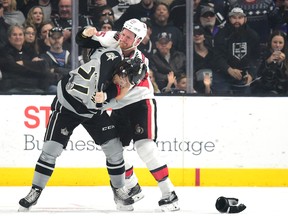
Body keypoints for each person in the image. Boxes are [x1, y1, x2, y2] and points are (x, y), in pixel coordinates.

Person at [18, 42, 138, 211]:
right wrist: (105, 93)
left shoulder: (115, 74)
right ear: (121, 71)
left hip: (90, 110)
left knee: (115, 150)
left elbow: (111, 91)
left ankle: (119, 190)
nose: (126, 83)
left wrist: (107, 93)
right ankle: (35, 191)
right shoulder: (109, 61)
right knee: (50, 151)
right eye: (125, 78)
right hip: (67, 106)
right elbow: (86, 42)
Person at [76, 18, 180, 212]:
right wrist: (86, 33)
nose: (122, 38)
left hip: (140, 103)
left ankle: (169, 194)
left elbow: (120, 90)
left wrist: (103, 97)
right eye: (122, 33)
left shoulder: (140, 62)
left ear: (137, 41)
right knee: (114, 151)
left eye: (128, 37)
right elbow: (83, 41)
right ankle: (133, 187)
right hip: (118, 107)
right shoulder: (112, 38)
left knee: (145, 148)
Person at [213, 7, 260, 95]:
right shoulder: (221, 35)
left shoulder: (253, 35)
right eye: (234, 17)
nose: (237, 20)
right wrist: (228, 69)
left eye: (240, 17)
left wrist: (251, 74)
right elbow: (217, 57)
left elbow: (256, 57)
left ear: (245, 19)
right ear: (229, 19)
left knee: (246, 96)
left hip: (243, 74)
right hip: (223, 74)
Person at [0, 24, 51, 94]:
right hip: (13, 89)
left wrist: (24, 63)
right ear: (9, 37)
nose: (18, 37)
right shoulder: (3, 51)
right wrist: (33, 66)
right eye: (14, 35)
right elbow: (11, 67)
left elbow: (43, 65)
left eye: (20, 34)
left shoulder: (29, 50)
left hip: (34, 87)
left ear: (24, 37)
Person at [253, 30, 288, 95]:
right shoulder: (262, 53)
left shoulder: (286, 56)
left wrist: (281, 64)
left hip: (283, 91)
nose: (277, 45)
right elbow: (256, 74)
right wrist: (268, 61)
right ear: (270, 42)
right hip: (264, 90)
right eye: (275, 42)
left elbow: (284, 79)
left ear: (284, 44)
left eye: (280, 43)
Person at [40, 27, 72, 94]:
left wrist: (56, 70)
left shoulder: (71, 56)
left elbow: (74, 73)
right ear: (48, 39)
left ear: (63, 38)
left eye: (59, 37)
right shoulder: (44, 57)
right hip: (53, 88)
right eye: (53, 38)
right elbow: (47, 76)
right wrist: (65, 72)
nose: (56, 40)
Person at [193, 25, 214, 94]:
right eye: (194, 34)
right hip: (195, 88)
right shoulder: (188, 54)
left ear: (204, 36)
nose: (197, 36)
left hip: (214, 87)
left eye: (200, 34)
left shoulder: (213, 52)